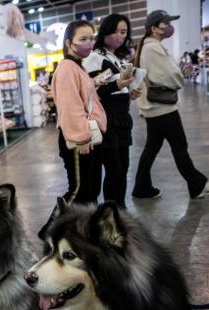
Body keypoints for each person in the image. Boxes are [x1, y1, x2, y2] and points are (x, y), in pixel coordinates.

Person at [132, 10, 209, 199]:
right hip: (163, 108)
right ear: (154, 28)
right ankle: (197, 185)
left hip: (155, 108)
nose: (169, 26)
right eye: (166, 23)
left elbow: (165, 73)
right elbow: (167, 76)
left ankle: (141, 186)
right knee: (179, 145)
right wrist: (181, 76)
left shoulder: (151, 46)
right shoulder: (153, 48)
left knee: (152, 148)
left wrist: (180, 73)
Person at [84, 14, 139, 208]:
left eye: (123, 32)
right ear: (105, 31)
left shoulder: (115, 56)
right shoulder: (94, 57)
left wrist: (129, 90)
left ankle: (119, 208)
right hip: (106, 119)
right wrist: (117, 85)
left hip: (122, 118)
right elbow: (93, 90)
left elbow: (113, 86)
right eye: (115, 31)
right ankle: (112, 211)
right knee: (114, 169)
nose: (120, 36)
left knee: (122, 167)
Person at [52, 20, 107, 205]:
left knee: (89, 190)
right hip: (79, 139)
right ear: (68, 43)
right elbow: (70, 106)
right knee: (78, 191)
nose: (89, 43)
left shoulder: (76, 65)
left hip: (87, 135)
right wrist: (81, 137)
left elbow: (81, 97)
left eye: (91, 38)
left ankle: (83, 230)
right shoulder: (67, 67)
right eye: (83, 39)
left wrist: (95, 83)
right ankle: (52, 231)